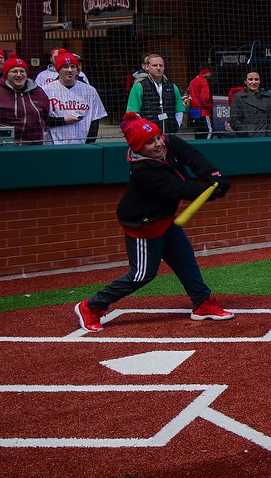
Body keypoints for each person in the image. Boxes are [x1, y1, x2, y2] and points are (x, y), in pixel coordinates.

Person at [73, 113, 232, 333]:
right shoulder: (143, 170)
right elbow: (179, 189)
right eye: (150, 142)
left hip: (166, 218)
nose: (158, 144)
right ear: (139, 147)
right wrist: (211, 192)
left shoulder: (170, 142)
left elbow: (194, 158)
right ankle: (91, 306)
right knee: (142, 274)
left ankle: (203, 302)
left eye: (157, 137)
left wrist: (214, 175)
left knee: (185, 260)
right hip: (144, 224)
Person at [0, 57, 69, 145]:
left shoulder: (38, 92)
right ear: (6, 74)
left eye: (22, 71)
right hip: (2, 147)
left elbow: (44, 116)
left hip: (34, 146)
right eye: (14, 71)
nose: (19, 74)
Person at [42, 51, 108, 145]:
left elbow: (95, 121)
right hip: (52, 146)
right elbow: (40, 120)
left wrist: (89, 144)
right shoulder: (45, 90)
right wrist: (63, 120)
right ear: (58, 70)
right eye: (65, 67)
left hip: (81, 145)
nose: (70, 70)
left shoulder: (90, 90)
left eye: (73, 67)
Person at [125, 53, 184, 136]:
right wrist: (146, 129)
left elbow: (179, 110)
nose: (158, 68)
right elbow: (133, 113)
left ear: (164, 67)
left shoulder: (173, 87)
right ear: (147, 67)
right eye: (155, 65)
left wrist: (176, 125)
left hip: (170, 134)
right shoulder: (139, 87)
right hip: (149, 136)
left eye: (161, 65)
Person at [229, 69, 271, 137]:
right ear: (245, 81)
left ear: (259, 81)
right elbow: (234, 121)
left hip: (267, 137)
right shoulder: (238, 97)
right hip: (248, 138)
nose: (254, 82)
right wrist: (249, 132)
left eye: (256, 79)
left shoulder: (269, 96)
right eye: (250, 79)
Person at [185, 66, 215, 139]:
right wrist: (210, 106)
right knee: (209, 131)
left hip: (194, 111)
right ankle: (206, 149)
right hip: (203, 111)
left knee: (198, 133)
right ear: (207, 72)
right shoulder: (203, 81)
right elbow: (204, 98)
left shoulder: (193, 81)